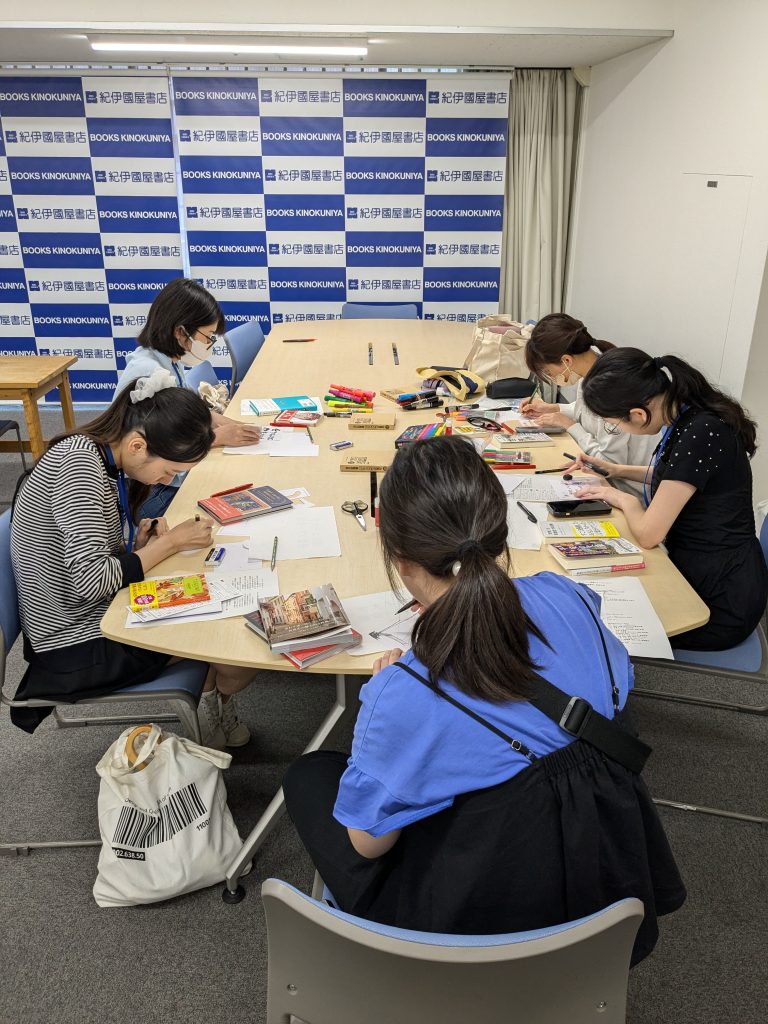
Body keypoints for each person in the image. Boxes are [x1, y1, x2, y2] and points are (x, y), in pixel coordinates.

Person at [282, 436, 685, 965]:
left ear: (400, 560)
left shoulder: (402, 692)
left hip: (472, 931)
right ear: (499, 531)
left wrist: (379, 710)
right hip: (606, 879)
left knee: (310, 775)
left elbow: (368, 843)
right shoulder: (569, 595)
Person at [10, 370, 255, 747]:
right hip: (74, 641)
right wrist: (167, 545)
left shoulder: (99, 456)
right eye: (169, 470)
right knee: (230, 644)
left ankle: (211, 704)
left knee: (221, 613)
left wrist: (139, 546)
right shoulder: (78, 466)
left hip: (99, 611)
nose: (165, 480)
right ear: (139, 445)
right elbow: (91, 581)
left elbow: (87, 556)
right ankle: (210, 711)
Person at [568, 348, 768, 651]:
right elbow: (678, 477)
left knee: (592, 629)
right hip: (696, 570)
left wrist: (621, 497)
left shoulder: (701, 432)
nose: (617, 430)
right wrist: (615, 470)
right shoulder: (688, 416)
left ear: (638, 413)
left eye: (614, 424)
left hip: (718, 599)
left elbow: (649, 534)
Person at [114, 277, 261, 518]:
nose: (210, 344)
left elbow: (186, 415)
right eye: (208, 336)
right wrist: (217, 437)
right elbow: (155, 447)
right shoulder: (148, 372)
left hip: (163, 475)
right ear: (181, 332)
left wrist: (224, 423)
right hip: (151, 489)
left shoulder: (168, 360)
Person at [520, 313, 660, 495]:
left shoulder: (610, 388)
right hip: (614, 480)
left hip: (628, 489)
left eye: (547, 371)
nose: (550, 377)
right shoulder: (592, 370)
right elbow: (585, 412)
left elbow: (609, 463)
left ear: (566, 360)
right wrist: (553, 408)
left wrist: (569, 425)